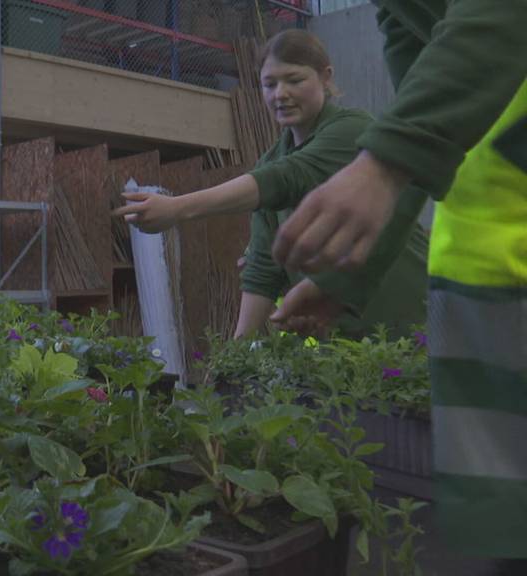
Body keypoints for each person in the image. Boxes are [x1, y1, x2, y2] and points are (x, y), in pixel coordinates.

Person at [268, 1, 527, 569]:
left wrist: (381, 164)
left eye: (293, 80)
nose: (280, 94)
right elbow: (424, 126)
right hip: (484, 265)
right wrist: (343, 274)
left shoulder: (345, 130)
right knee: (501, 522)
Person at [114, 29, 428, 340]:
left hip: (411, 326)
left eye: (294, 80)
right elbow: (263, 269)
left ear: (326, 77)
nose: (280, 94)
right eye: (270, 84)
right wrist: (235, 355)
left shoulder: (353, 130)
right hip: (342, 344)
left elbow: (289, 177)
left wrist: (177, 208)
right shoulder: (269, 161)